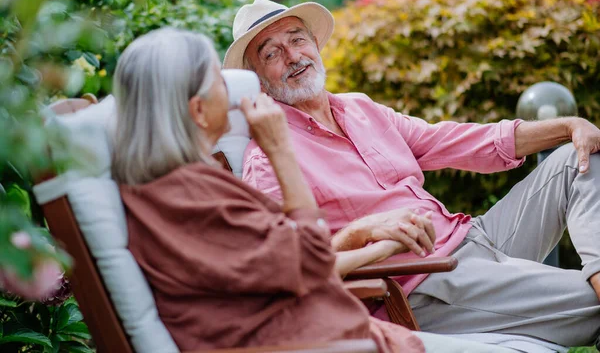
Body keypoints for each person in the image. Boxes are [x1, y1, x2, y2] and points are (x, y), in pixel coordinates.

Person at [225, 0, 600, 348]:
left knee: (579, 156)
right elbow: (286, 266)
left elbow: (452, 140)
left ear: (316, 45)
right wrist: (359, 234)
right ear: (257, 79)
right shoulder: (270, 156)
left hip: (474, 237)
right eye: (272, 53)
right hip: (423, 282)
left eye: (298, 39)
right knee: (592, 304)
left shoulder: (359, 109)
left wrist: (569, 126)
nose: (293, 56)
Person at [110, 28, 510, 352]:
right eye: (220, 82)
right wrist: (279, 146)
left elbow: (290, 261)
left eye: (299, 40)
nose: (234, 93)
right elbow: (309, 259)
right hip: (325, 339)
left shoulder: (183, 187)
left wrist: (379, 246)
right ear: (198, 111)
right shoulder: (189, 198)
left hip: (341, 327)